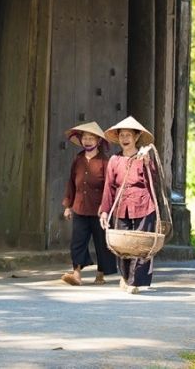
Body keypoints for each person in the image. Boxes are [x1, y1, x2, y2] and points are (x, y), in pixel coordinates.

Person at [99, 116, 159, 294]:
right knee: (122, 245)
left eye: (128, 135)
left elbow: (153, 182)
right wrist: (104, 211)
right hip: (121, 204)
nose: (125, 138)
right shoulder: (114, 160)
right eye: (122, 135)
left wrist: (148, 164)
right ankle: (126, 278)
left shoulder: (144, 158)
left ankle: (135, 282)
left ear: (136, 137)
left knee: (141, 244)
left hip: (143, 203)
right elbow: (108, 187)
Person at [60, 121, 118, 286]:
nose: (87, 141)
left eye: (91, 138)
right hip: (79, 206)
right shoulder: (78, 159)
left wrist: (106, 207)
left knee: (101, 243)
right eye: (85, 137)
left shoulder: (105, 161)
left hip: (99, 210)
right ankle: (76, 274)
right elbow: (71, 183)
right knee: (77, 241)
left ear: (98, 141)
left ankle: (101, 273)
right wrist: (68, 206)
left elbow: (109, 186)